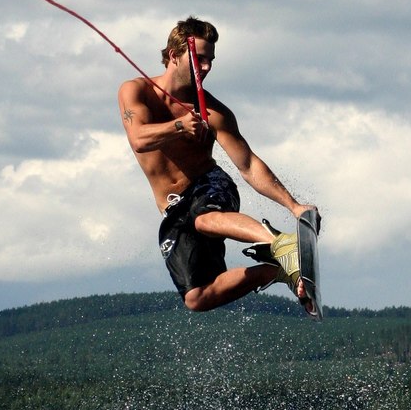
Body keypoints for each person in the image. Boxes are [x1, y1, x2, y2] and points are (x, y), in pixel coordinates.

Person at [118, 16, 318, 313]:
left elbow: (248, 164)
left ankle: (284, 246)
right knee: (197, 298)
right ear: (174, 55)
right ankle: (281, 271)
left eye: (211, 60)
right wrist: (179, 126)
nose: (207, 67)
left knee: (204, 220)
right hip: (174, 209)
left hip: (209, 185)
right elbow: (139, 139)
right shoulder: (136, 92)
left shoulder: (213, 112)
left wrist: (294, 206)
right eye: (199, 59)